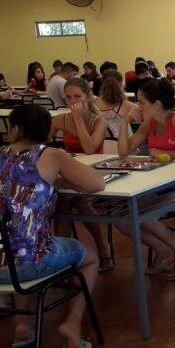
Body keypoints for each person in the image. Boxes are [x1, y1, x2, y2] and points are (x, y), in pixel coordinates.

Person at [0, 104, 104, 348]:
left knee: (15, 243)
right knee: (90, 256)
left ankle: (22, 325)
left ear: (16, 130)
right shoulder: (51, 155)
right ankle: (72, 326)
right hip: (25, 264)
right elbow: (97, 185)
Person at [117, 79, 175, 279]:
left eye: (141, 102)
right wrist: (124, 122)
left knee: (146, 216)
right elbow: (123, 152)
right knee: (123, 221)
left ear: (157, 104)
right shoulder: (148, 125)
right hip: (158, 185)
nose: (138, 106)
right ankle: (163, 249)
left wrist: (167, 153)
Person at [49, 78, 113, 272]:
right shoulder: (60, 119)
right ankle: (73, 253)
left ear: (89, 97)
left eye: (78, 96)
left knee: (70, 198)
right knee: (65, 198)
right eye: (68, 97)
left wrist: (78, 120)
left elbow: (89, 148)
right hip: (70, 172)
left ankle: (96, 248)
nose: (73, 101)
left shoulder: (99, 121)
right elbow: (38, 142)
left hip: (95, 172)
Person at [93, 70, 141, 137]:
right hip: (124, 145)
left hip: (100, 145)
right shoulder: (129, 106)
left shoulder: (94, 103)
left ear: (102, 83)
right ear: (121, 83)